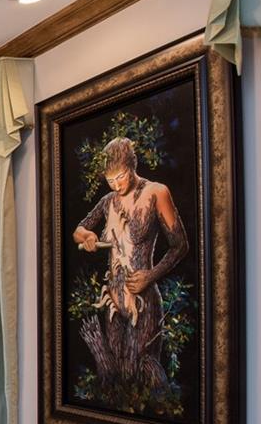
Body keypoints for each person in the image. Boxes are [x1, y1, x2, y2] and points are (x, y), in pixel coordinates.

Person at [72, 136, 188, 407]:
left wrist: (151, 275)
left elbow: (180, 245)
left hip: (142, 299)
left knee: (140, 372)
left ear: (132, 167)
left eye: (121, 177)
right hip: (113, 301)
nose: (116, 185)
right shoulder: (108, 201)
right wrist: (87, 236)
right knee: (115, 377)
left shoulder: (156, 193)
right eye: (110, 180)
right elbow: (79, 229)